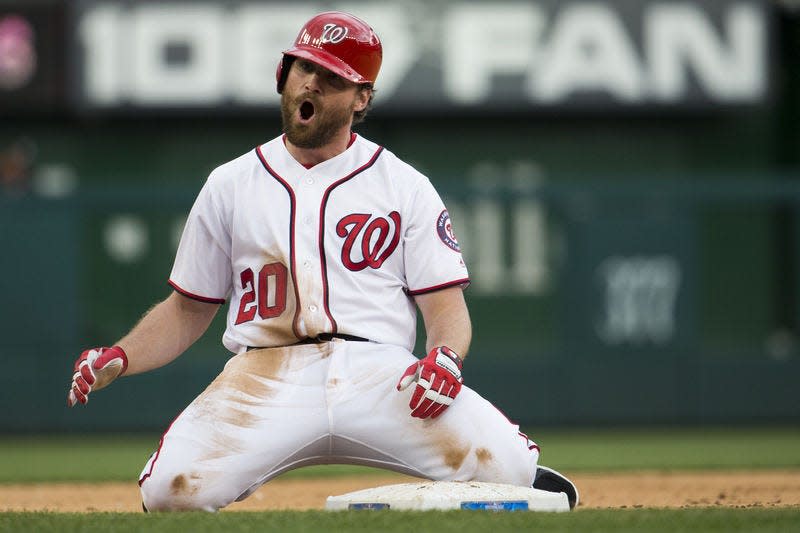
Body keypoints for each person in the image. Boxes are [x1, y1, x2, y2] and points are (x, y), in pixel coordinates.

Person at [67, 11, 578, 512]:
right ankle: (244, 466)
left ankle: (513, 466)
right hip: (265, 373)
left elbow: (446, 309)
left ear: (361, 99)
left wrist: (445, 358)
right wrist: (122, 354)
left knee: (507, 470)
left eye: (332, 77)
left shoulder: (403, 184)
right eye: (303, 67)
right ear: (283, 75)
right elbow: (186, 311)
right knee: (170, 493)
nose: (310, 83)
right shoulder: (230, 184)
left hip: (379, 373)